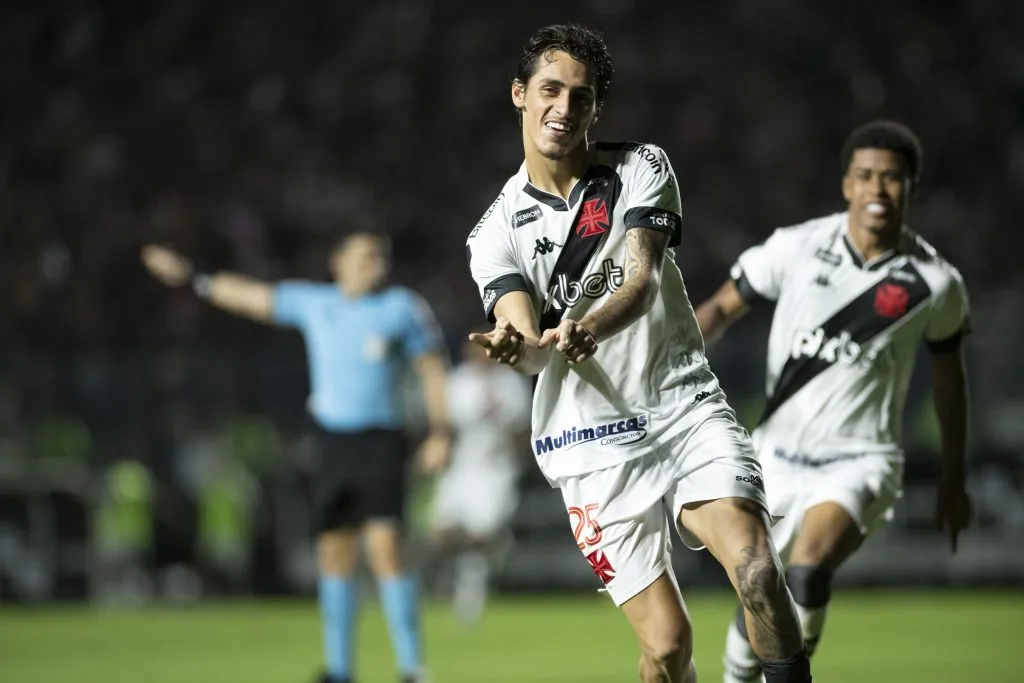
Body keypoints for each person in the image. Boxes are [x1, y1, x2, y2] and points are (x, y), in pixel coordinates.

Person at [465, 23, 812, 683]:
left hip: (681, 407)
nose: (563, 108)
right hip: (589, 442)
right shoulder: (493, 234)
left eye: (580, 96)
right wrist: (515, 344)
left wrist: (588, 324)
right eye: (549, 90)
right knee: (667, 647)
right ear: (519, 94)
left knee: (759, 571)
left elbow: (643, 280)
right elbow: (528, 339)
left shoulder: (638, 167)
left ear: (596, 109)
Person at [693, 120, 972, 682]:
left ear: (910, 189)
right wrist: (667, 360)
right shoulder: (796, 248)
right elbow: (721, 308)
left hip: (861, 461)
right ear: (846, 184)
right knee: (758, 584)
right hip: (774, 456)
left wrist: (952, 477)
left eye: (892, 178)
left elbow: (950, 381)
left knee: (807, 572)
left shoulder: (935, 283)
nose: (878, 189)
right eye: (866, 176)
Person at [141, 233, 451, 683]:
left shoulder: (403, 307)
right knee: (334, 551)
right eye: (364, 255)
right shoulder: (314, 303)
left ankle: (411, 668)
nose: (375, 263)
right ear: (338, 262)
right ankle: (339, 670)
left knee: (385, 548)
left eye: (380, 256)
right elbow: (252, 298)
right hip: (331, 440)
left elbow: (431, 367)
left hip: (380, 439)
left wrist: (441, 431)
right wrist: (195, 278)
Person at [429, 336, 532, 625]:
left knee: (479, 537)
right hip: (461, 467)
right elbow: (443, 426)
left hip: (495, 469)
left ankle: (469, 597)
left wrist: (516, 457)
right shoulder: (458, 383)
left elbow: (523, 429)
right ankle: (456, 573)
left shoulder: (511, 382)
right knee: (442, 533)